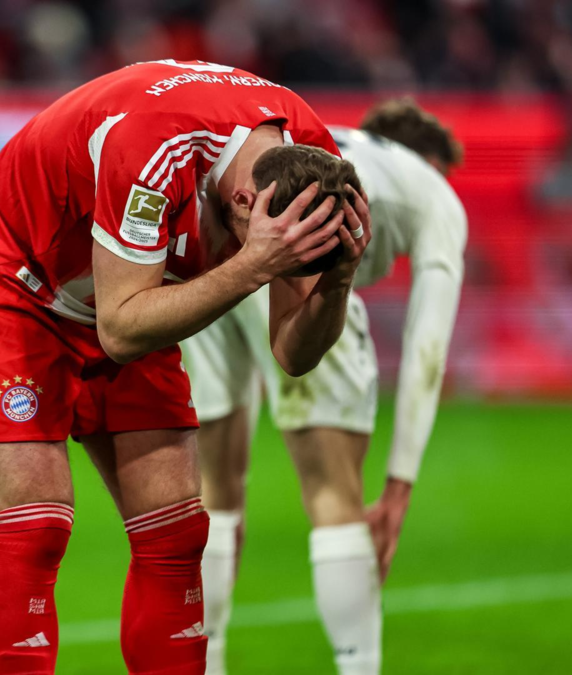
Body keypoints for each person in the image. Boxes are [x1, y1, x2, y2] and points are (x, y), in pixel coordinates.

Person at [0, 59, 371, 675]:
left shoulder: (307, 170)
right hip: (16, 282)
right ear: (247, 199)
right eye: (271, 247)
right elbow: (121, 330)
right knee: (38, 525)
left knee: (175, 533)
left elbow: (293, 353)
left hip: (133, 289)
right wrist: (253, 265)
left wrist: (337, 282)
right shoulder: (151, 150)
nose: (277, 263)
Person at [182, 98, 467, 675]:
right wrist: (400, 484)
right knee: (335, 495)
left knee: (215, 489)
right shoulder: (433, 192)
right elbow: (427, 349)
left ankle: (205, 663)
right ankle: (358, 666)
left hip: (218, 257)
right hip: (297, 271)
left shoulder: (320, 147)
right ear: (429, 161)